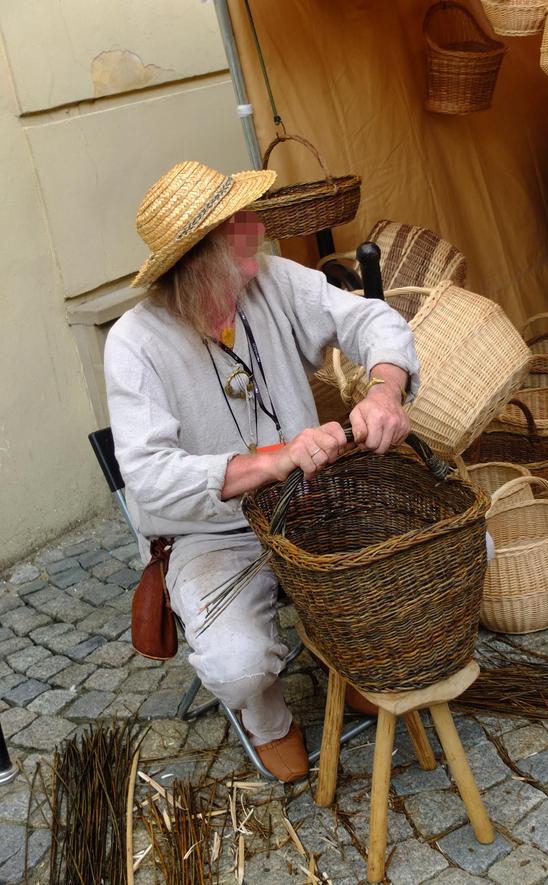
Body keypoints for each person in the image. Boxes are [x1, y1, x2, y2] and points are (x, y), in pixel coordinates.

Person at [104, 160, 419, 782]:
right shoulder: (134, 344)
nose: (258, 228)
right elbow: (150, 477)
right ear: (198, 258)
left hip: (306, 505)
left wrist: (385, 389)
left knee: (409, 565)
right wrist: (274, 459)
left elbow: (369, 317)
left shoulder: (270, 280)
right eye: (238, 223)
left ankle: (350, 659)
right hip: (209, 534)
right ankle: (269, 718)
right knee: (239, 666)